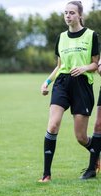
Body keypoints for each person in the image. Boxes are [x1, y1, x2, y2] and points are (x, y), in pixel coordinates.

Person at [39, 1, 99, 182]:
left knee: (80, 137)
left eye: (72, 13)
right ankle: (46, 174)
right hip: (63, 84)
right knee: (53, 125)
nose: (68, 16)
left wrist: (84, 68)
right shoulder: (61, 37)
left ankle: (96, 156)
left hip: (82, 85)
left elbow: (96, 64)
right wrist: (47, 82)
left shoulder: (91, 35)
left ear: (80, 15)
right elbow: (59, 66)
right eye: (65, 13)